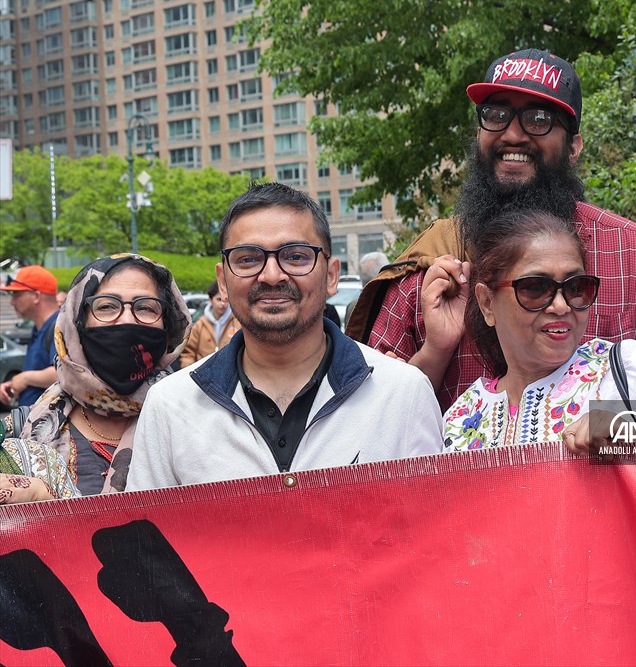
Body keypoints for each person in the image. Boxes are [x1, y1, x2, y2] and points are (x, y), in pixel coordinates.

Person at [346, 48, 636, 410]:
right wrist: (436, 353)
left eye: (538, 119)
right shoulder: (431, 264)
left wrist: (613, 430)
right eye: (496, 115)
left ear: (573, 147)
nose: (513, 136)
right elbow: (370, 423)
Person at [127, 182, 443, 490]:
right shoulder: (170, 406)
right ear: (223, 281)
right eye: (248, 259)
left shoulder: (403, 393)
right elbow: (145, 541)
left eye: (295, 256)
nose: (272, 275)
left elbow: (430, 533)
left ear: (331, 275)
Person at [423, 209, 636, 451]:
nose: (561, 306)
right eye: (536, 288)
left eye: (576, 288)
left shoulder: (630, 369)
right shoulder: (461, 419)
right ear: (487, 303)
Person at [10, 254, 193, 495]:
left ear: (169, 329)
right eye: (107, 306)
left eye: (146, 307)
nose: (126, 320)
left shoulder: (195, 420)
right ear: (78, 325)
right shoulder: (20, 428)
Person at [0, 265, 60, 408]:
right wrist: (14, 383)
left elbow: (64, 373)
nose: (12, 302)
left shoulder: (60, 326)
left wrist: (25, 378)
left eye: (17, 295)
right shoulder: (39, 328)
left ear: (36, 296)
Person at [179, 280, 240, 367]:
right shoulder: (199, 325)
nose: (223, 304)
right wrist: (189, 372)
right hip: (202, 376)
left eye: (226, 300)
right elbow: (188, 353)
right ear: (210, 300)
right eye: (219, 299)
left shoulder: (238, 324)